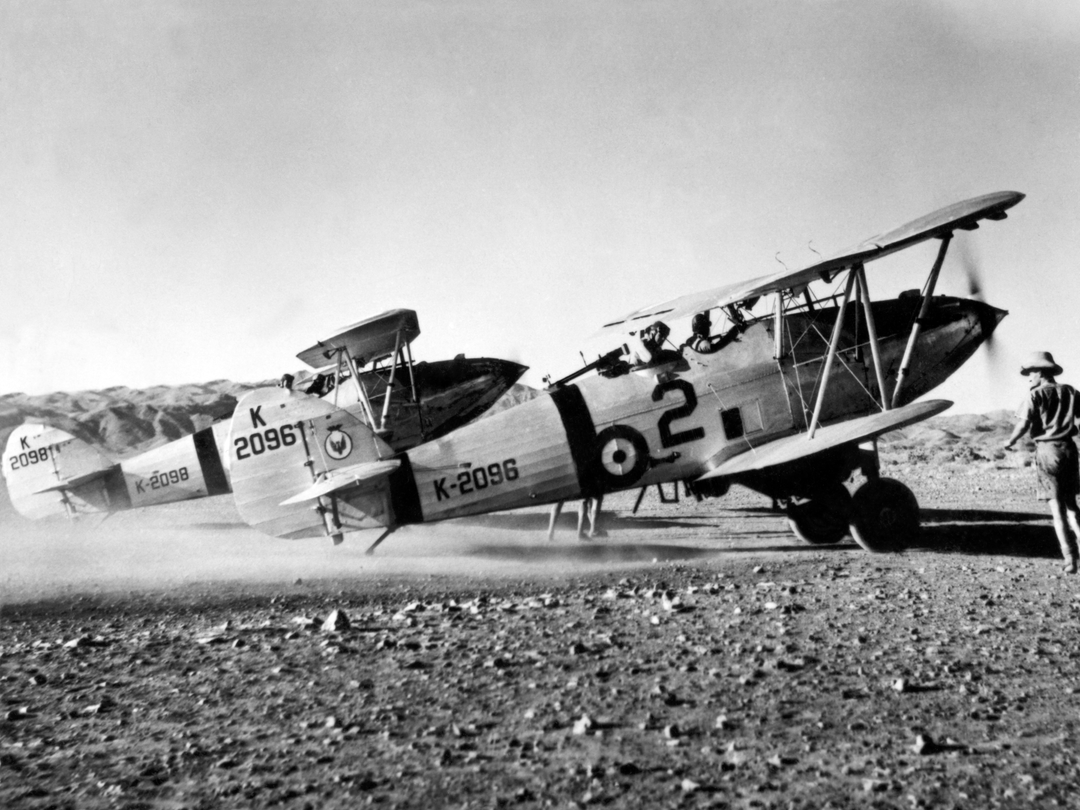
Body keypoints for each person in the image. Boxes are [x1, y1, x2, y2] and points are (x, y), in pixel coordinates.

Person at [1004, 351, 1080, 574]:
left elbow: (1023, 425)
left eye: (1031, 373)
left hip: (1047, 451)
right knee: (1072, 507)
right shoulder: (1072, 392)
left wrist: (1010, 441)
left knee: (1057, 509)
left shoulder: (1034, 395)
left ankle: (1069, 558)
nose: (1029, 378)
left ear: (1040, 372)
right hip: (1069, 449)